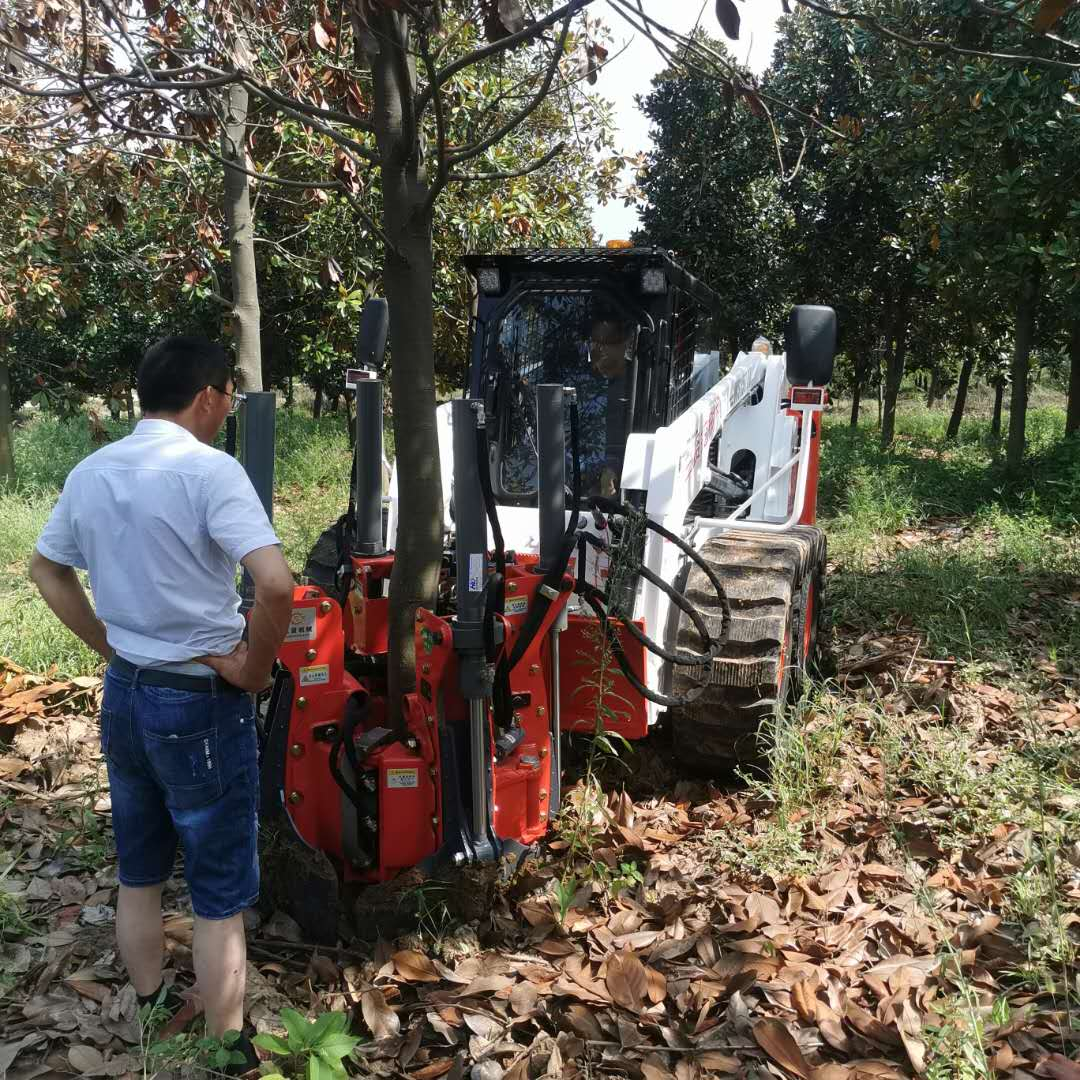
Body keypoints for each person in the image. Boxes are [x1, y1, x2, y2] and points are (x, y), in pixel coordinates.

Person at [29, 336, 294, 1075]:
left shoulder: (94, 470)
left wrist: (109, 646)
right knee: (216, 887)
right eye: (228, 398)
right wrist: (253, 668)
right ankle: (226, 1042)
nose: (229, 411)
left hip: (127, 695)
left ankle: (149, 1007)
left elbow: (46, 570)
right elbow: (275, 586)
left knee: (139, 870)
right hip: (199, 702)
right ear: (208, 396)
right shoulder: (210, 472)